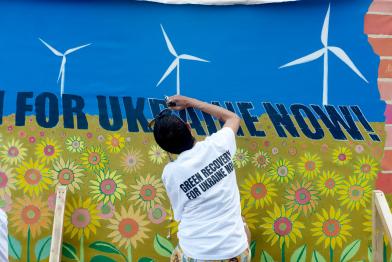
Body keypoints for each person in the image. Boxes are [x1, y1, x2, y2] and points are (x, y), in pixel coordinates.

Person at [150, 95, 250, 262]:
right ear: (189, 127)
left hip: (194, 255)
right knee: (242, 223)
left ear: (165, 149)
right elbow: (232, 117)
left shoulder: (171, 172)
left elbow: (179, 213)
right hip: (235, 252)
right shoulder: (219, 144)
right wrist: (190, 102)